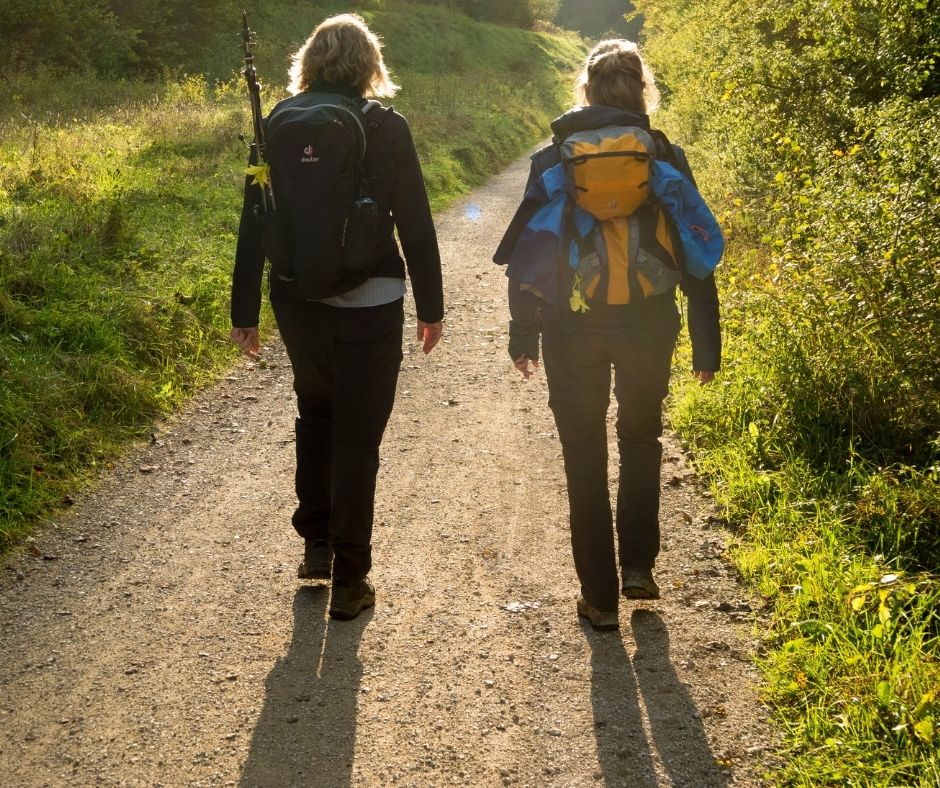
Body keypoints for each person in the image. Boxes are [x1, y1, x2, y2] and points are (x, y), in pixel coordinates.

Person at [494, 40, 720, 631]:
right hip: (650, 321)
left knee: (585, 455)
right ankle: (639, 566)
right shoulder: (663, 152)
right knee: (642, 438)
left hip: (574, 326)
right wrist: (706, 339)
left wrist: (523, 334)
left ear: (587, 91)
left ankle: (599, 597)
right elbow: (696, 249)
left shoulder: (553, 160)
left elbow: (530, 252)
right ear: (641, 91)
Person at [231, 14, 444, 621]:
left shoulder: (275, 123)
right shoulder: (386, 127)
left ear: (311, 62)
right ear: (368, 64)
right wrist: (431, 307)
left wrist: (243, 309)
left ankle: (317, 545)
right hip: (372, 301)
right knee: (357, 437)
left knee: (315, 412)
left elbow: (256, 217)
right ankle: (351, 581)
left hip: (298, 301)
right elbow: (417, 223)